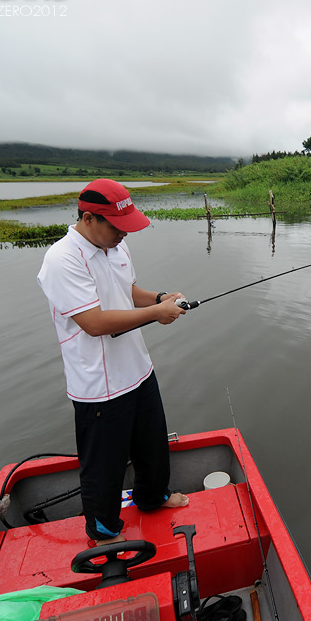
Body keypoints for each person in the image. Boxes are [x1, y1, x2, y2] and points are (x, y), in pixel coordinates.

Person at [37, 178, 189, 545]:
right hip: (99, 385)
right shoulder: (62, 259)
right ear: (89, 219)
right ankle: (103, 528)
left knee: (152, 444)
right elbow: (94, 323)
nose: (123, 234)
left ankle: (153, 497)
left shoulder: (116, 247)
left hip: (138, 369)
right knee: (103, 464)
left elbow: (126, 291)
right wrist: (156, 313)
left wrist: (158, 296)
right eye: (116, 227)